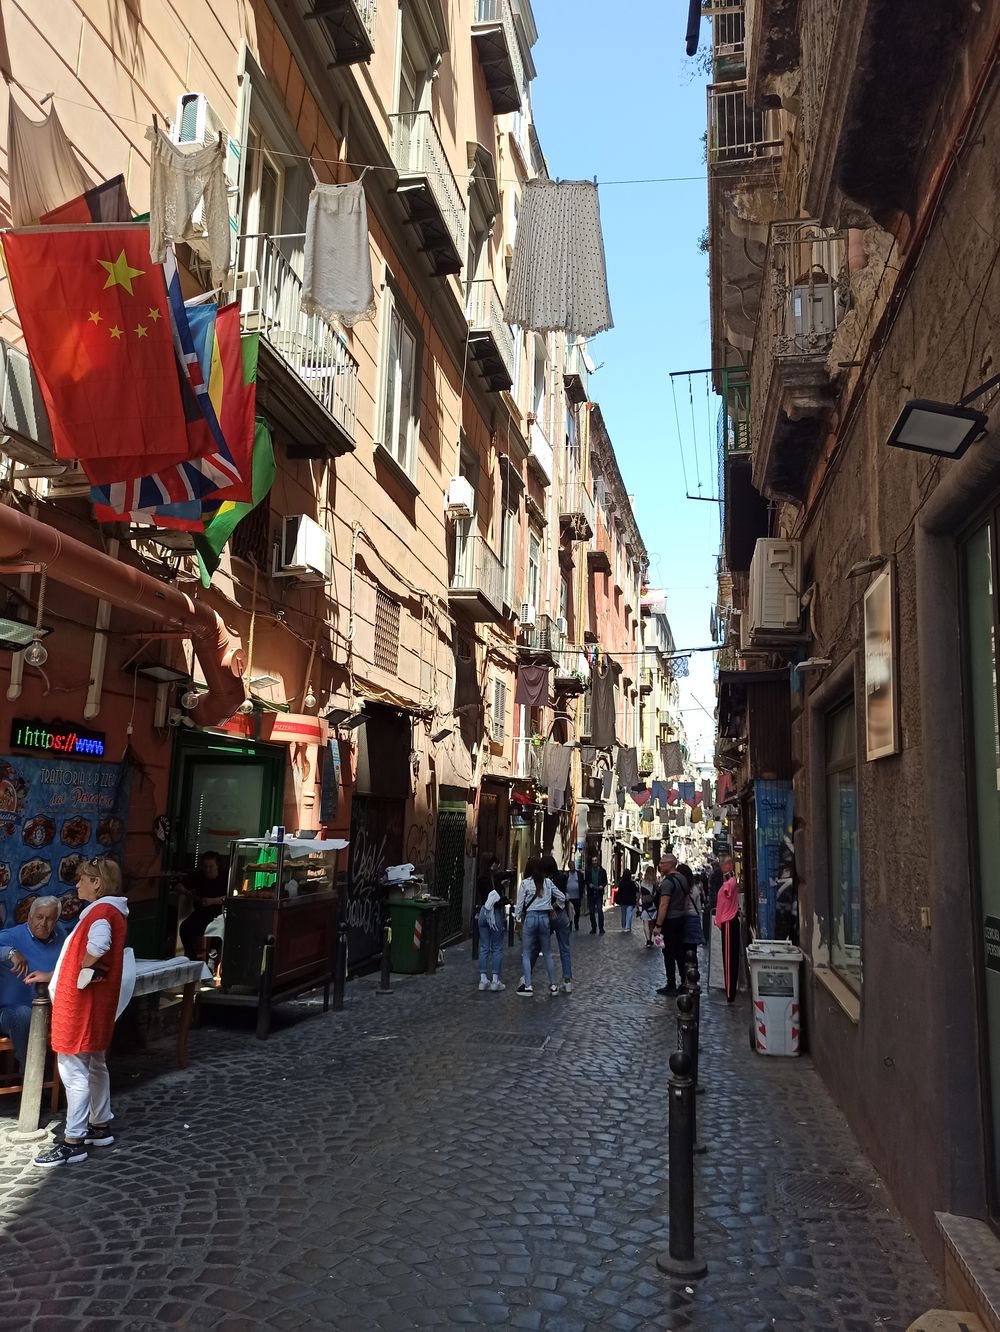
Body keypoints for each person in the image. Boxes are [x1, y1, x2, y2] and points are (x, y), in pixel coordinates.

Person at [31, 857, 132, 1168]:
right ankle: (99, 1124)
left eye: (83, 880)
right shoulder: (110, 912)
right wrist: (57, 974)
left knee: (74, 1070)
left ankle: (73, 1140)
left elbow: (98, 947)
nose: (78, 885)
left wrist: (79, 972)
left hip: (80, 1004)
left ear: (97, 883)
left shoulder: (101, 914)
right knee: (95, 1063)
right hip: (92, 1002)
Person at [0, 897, 68, 1069]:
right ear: (29, 917)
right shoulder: (13, 936)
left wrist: (50, 975)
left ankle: (70, 1077)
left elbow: (70, 966)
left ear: (56, 920)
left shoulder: (61, 935)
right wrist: (10, 952)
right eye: (39, 917)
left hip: (50, 1008)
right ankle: (32, 1075)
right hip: (9, 1012)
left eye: (50, 918)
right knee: (24, 1015)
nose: (43, 923)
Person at [514, 855, 565, 997]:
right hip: (544, 919)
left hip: (530, 918)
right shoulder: (548, 882)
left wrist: (517, 920)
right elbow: (561, 897)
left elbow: (519, 905)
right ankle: (554, 985)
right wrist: (552, 907)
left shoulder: (525, 883)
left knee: (527, 953)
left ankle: (528, 986)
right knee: (547, 953)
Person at [653, 856, 696, 996]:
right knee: (679, 952)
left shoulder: (668, 882)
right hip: (680, 919)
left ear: (670, 865)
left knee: (668, 953)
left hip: (669, 921)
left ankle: (671, 984)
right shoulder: (682, 879)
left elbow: (663, 905)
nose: (660, 865)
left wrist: (658, 925)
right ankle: (684, 981)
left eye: (662, 863)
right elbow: (685, 901)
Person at [177, 852, 226, 961]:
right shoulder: (199, 876)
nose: (207, 870)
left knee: (219, 930)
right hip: (201, 913)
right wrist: (188, 893)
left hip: (220, 913)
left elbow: (231, 896)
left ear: (217, 866)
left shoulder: (225, 877)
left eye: (210, 867)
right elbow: (178, 886)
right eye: (205, 867)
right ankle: (190, 957)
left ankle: (213, 959)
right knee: (185, 927)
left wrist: (212, 901)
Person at [541, 854, 573, 994]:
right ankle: (567, 982)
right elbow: (563, 897)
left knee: (539, 948)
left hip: (547, 916)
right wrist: (555, 907)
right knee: (565, 949)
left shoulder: (541, 880)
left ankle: (527, 978)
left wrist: (549, 908)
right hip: (561, 915)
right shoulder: (561, 878)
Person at [716, 865, 741, 1001]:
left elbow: (728, 892)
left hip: (728, 921)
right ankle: (730, 991)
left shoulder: (729, 883)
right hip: (728, 921)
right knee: (730, 958)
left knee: (729, 958)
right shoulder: (730, 882)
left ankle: (730, 992)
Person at [477, 881, 506, 993]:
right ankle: (495, 981)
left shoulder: (482, 880)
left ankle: (483, 980)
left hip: (483, 911)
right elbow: (499, 900)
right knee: (497, 947)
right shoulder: (495, 883)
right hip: (494, 914)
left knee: (484, 947)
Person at [637, 864, 659, 945]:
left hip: (644, 905)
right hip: (653, 905)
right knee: (652, 923)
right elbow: (656, 895)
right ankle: (651, 939)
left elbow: (639, 894)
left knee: (645, 923)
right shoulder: (655, 883)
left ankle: (648, 940)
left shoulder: (641, 882)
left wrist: (638, 905)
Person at [586, 853, 608, 935]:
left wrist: (602, 886)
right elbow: (586, 880)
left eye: (595, 860)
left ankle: (601, 928)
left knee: (599, 910)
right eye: (593, 861)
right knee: (591, 911)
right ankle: (593, 928)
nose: (594, 862)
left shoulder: (602, 871)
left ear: (598, 861)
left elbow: (605, 881)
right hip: (591, 893)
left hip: (599, 893)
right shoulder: (588, 870)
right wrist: (589, 884)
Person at [616, 868, 637, 933]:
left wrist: (618, 900)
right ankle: (628, 927)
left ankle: (624, 925)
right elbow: (634, 892)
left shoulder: (621, 883)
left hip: (623, 901)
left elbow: (619, 892)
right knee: (629, 914)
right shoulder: (632, 883)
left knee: (623, 914)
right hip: (630, 901)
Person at [564, 860, 583, 930]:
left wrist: (581, 892)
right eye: (571, 865)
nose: (573, 867)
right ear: (569, 866)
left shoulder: (579, 874)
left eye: (573, 865)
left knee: (577, 911)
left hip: (577, 896)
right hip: (569, 897)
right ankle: (570, 924)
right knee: (569, 912)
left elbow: (582, 883)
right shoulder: (566, 874)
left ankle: (576, 923)